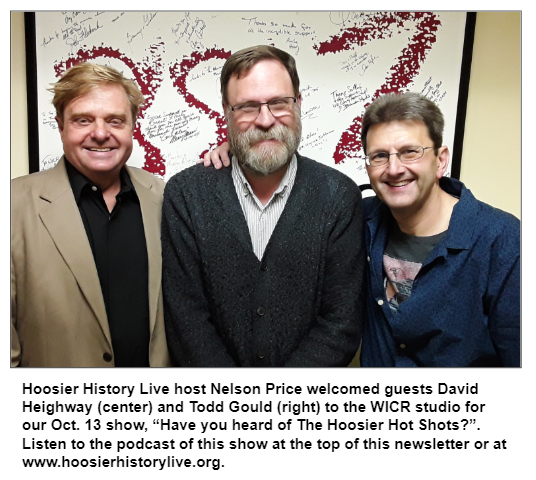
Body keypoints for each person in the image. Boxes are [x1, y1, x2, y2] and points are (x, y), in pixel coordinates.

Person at [203, 92, 520, 367]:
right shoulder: (359, 220)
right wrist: (245, 154)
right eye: (380, 156)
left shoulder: (501, 240)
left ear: (441, 160)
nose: (394, 169)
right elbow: (298, 199)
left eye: (410, 151)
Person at [162, 45, 365, 367]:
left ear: (298, 103)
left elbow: (341, 321)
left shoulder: (338, 195)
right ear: (226, 112)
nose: (266, 120)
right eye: (247, 107)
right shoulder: (186, 195)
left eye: (279, 103)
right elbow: (186, 319)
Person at [11, 63, 170, 367]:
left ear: (132, 127)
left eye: (115, 121)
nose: (100, 133)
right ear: (60, 126)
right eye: (83, 120)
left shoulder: (164, 197)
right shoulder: (13, 205)